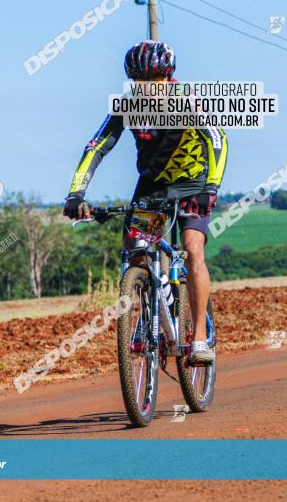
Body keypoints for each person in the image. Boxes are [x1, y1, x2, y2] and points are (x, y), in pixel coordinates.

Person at [62, 42, 228, 365]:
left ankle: (197, 339)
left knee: (193, 248)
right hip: (153, 186)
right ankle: (148, 307)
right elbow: (96, 147)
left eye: (153, 82)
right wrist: (76, 193)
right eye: (139, 82)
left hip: (193, 182)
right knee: (136, 249)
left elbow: (217, 139)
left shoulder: (189, 102)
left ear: (167, 78)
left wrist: (211, 187)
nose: (147, 89)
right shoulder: (127, 106)